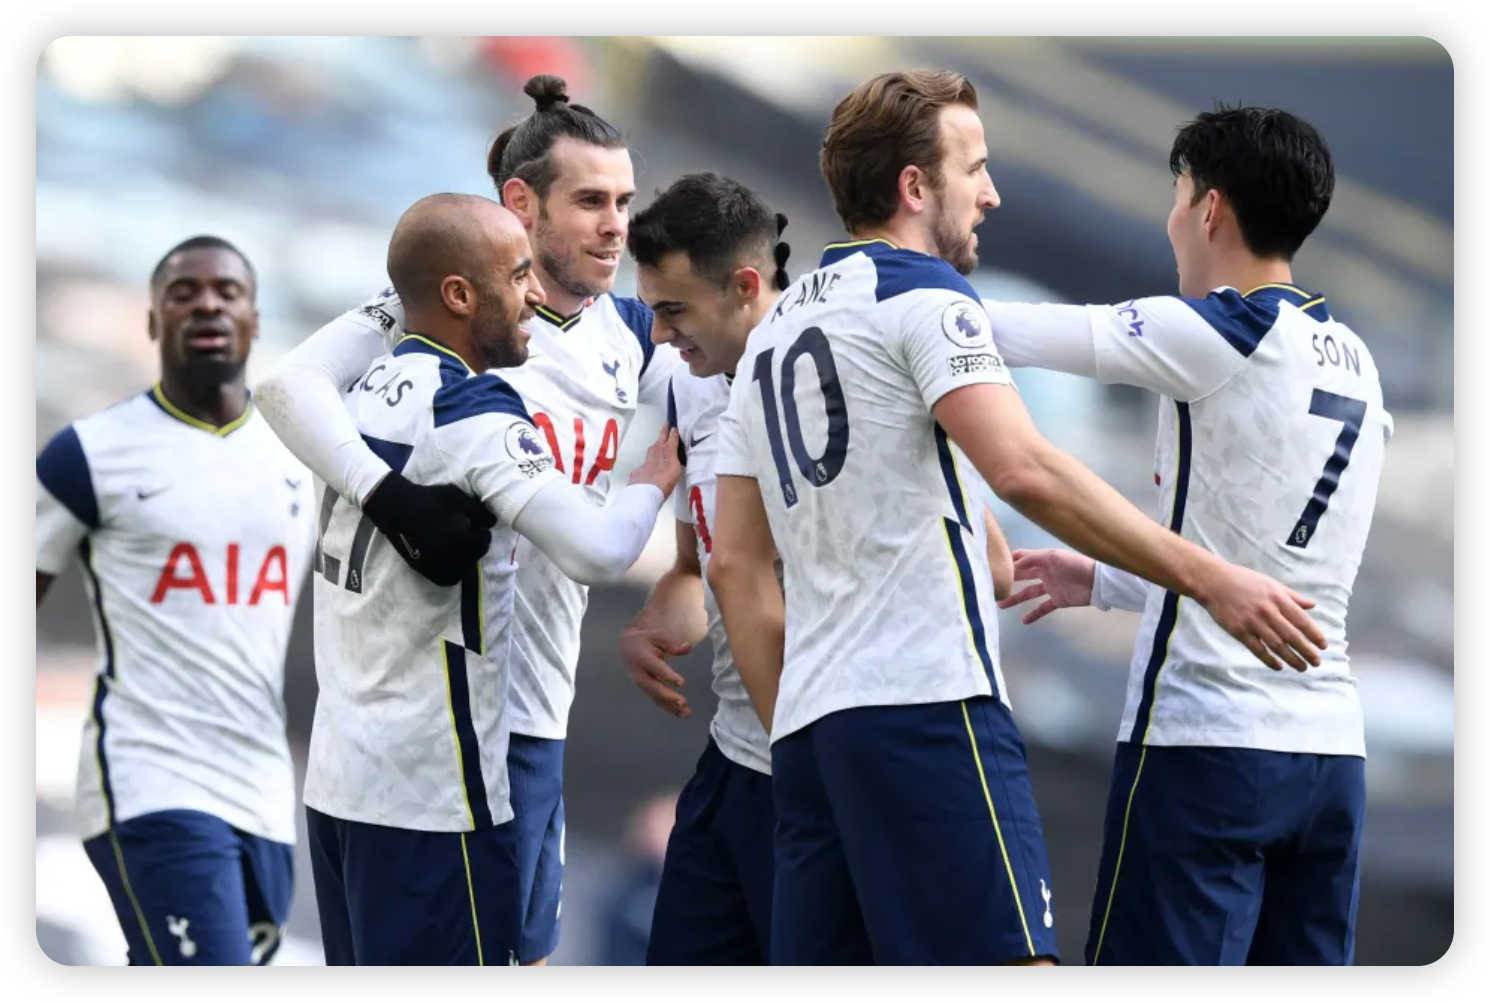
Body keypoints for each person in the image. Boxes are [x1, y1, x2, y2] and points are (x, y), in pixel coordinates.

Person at [707, 69, 1328, 967]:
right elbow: (1026, 470)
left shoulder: (766, 337)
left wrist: (795, 728)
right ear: (916, 189)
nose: (992, 194)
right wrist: (1210, 577)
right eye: (977, 169)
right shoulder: (927, 298)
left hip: (810, 731)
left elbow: (736, 565)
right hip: (929, 707)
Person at [255, 74, 688, 965]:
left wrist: (684, 580)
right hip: (451, 730)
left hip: (528, 702)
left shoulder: (634, 335)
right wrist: (392, 498)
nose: (618, 226)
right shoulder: (438, 323)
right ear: (522, 205)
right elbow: (283, 384)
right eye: (593, 202)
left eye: (625, 202)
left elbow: (725, 426)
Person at [990, 105, 1390, 966]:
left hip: (1209, 747)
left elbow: (996, 331)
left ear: (1209, 209)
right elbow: (1285, 568)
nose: (1172, 220)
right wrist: (1100, 579)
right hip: (1329, 760)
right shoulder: (1355, 357)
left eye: (1176, 197)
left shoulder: (1221, 330)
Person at [623, 173, 1014, 966]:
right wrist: (663, 608)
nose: (661, 338)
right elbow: (706, 565)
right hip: (735, 763)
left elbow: (992, 569)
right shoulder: (692, 391)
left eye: (674, 311)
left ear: (743, 284)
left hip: (827, 770)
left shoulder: (849, 373)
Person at [35, 236, 314, 966]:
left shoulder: (304, 451)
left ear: (254, 318)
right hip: (149, 777)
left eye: (227, 291)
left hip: (260, 787)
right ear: (155, 322)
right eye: (183, 293)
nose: (207, 304)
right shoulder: (91, 454)